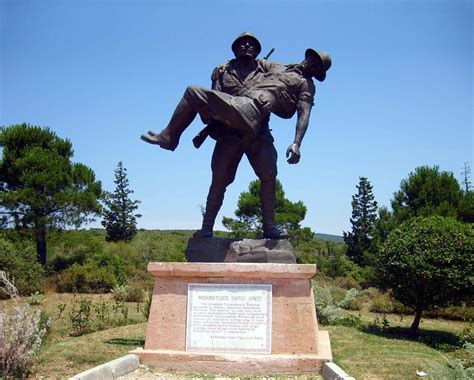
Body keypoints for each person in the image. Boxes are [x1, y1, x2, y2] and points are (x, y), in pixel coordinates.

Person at [141, 35, 331, 239]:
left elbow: (304, 112)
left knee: (269, 174)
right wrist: (209, 114)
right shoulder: (271, 67)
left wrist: (296, 143)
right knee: (219, 179)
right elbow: (212, 105)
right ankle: (206, 228)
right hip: (230, 130)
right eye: (310, 57)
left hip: (256, 126)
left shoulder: (302, 83)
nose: (310, 62)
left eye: (315, 63)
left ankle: (269, 227)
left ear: (317, 71)